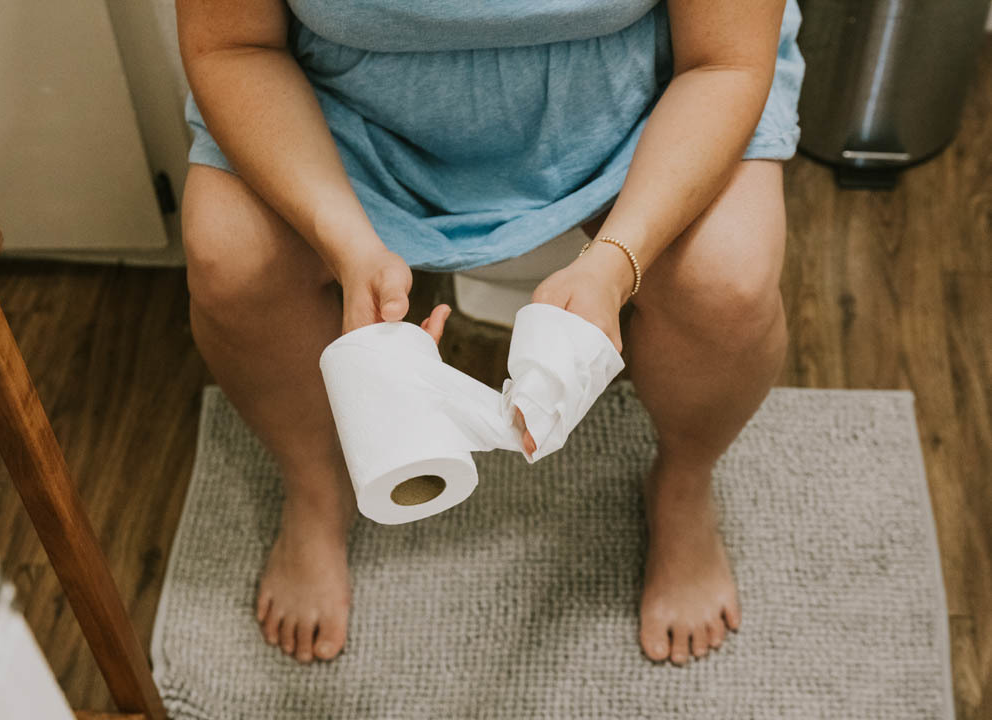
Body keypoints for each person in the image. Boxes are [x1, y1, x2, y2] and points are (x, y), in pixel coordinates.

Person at [175, 0, 805, 667]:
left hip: (632, 95)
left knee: (726, 279)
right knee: (229, 257)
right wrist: (343, 241)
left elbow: (725, 60)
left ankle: (683, 482)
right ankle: (314, 486)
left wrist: (618, 260)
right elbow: (232, 45)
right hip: (343, 107)